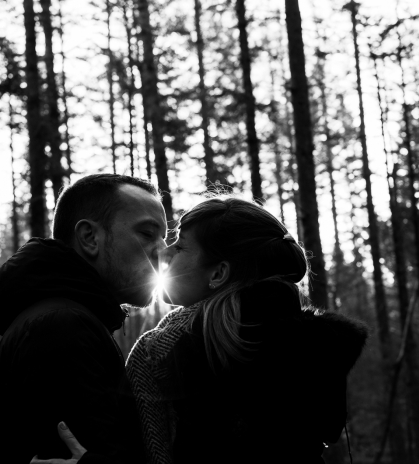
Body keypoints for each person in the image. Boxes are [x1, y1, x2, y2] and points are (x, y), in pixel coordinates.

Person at [36, 196, 369, 464]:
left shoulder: (169, 350)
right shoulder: (312, 348)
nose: (162, 252)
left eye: (179, 246)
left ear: (218, 273)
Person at [0, 174, 167, 464]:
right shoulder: (62, 328)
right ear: (90, 238)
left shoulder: (65, 319)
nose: (163, 250)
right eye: (147, 233)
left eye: (164, 237)